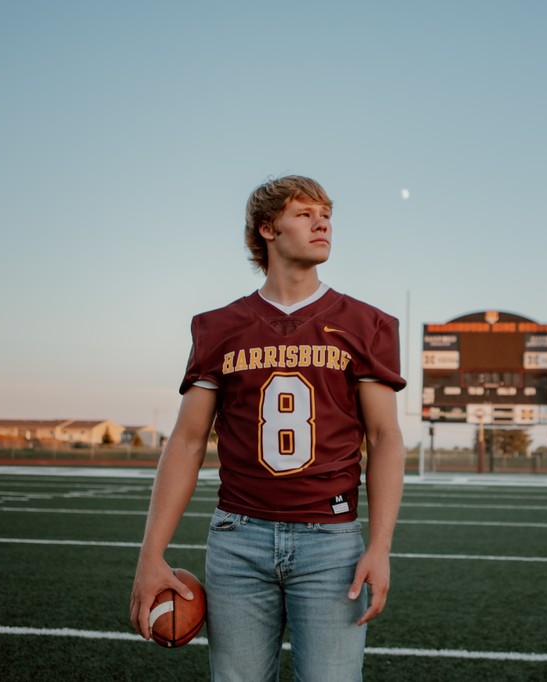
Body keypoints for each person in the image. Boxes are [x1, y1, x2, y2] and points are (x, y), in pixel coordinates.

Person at [129, 175, 406, 681]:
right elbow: (188, 441)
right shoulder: (218, 327)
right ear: (267, 229)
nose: (321, 222)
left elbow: (386, 438)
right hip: (238, 539)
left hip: (331, 543)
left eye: (326, 213)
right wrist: (151, 555)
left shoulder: (369, 324)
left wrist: (379, 548)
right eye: (304, 213)